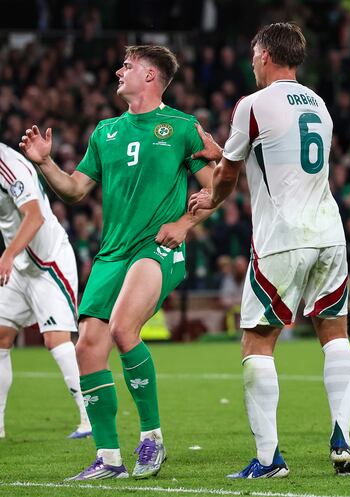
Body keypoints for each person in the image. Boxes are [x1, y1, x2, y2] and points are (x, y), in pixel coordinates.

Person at [19, 45, 216, 479]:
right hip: (113, 252)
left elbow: (216, 184)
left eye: (127, 66)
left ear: (150, 75)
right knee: (87, 348)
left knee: (124, 330)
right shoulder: (105, 131)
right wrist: (46, 162)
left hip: (157, 247)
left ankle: (152, 439)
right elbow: (73, 190)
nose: (117, 70)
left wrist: (185, 223)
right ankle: (109, 460)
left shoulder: (182, 127)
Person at [188, 23, 350, 478]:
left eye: (252, 52)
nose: (251, 61)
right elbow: (281, 158)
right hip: (329, 233)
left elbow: (229, 176)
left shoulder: (253, 104)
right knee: (335, 335)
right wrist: (222, 153)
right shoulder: (319, 104)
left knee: (257, 343)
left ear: (264, 53)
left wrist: (211, 197)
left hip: (282, 237)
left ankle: (268, 460)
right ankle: (341, 437)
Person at [0, 142, 90, 439]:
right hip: (21, 262)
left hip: (48, 261)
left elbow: (35, 216)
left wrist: (8, 254)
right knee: (1, 336)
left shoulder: (10, 165)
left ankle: (89, 418)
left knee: (55, 339)